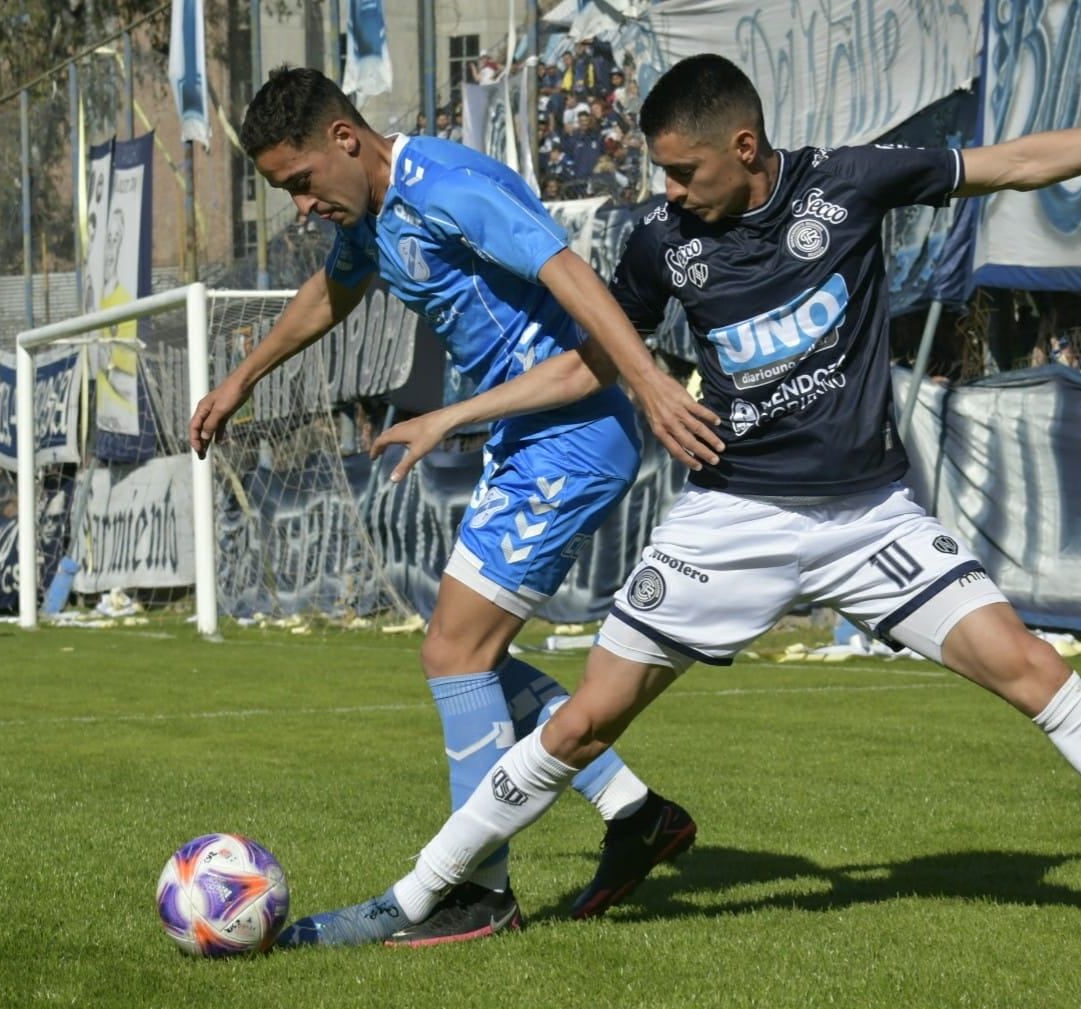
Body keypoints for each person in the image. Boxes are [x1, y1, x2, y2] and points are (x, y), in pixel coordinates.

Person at [296, 54, 1081, 945]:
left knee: (1033, 670)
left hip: (868, 518)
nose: (669, 191)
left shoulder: (851, 184)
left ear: (745, 147)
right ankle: (413, 899)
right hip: (730, 520)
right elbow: (589, 361)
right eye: (661, 172)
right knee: (581, 727)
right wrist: (457, 413)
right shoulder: (660, 243)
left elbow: (1019, 161)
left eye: (684, 171)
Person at [188, 66, 726, 946]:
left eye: (301, 181)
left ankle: (479, 890)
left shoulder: (447, 187)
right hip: (526, 436)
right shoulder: (370, 216)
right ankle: (635, 813)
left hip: (572, 436)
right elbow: (333, 290)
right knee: (472, 655)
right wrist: (242, 378)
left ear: (345, 140)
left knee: (454, 651)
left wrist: (651, 386)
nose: (301, 205)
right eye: (286, 191)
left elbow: (571, 276)